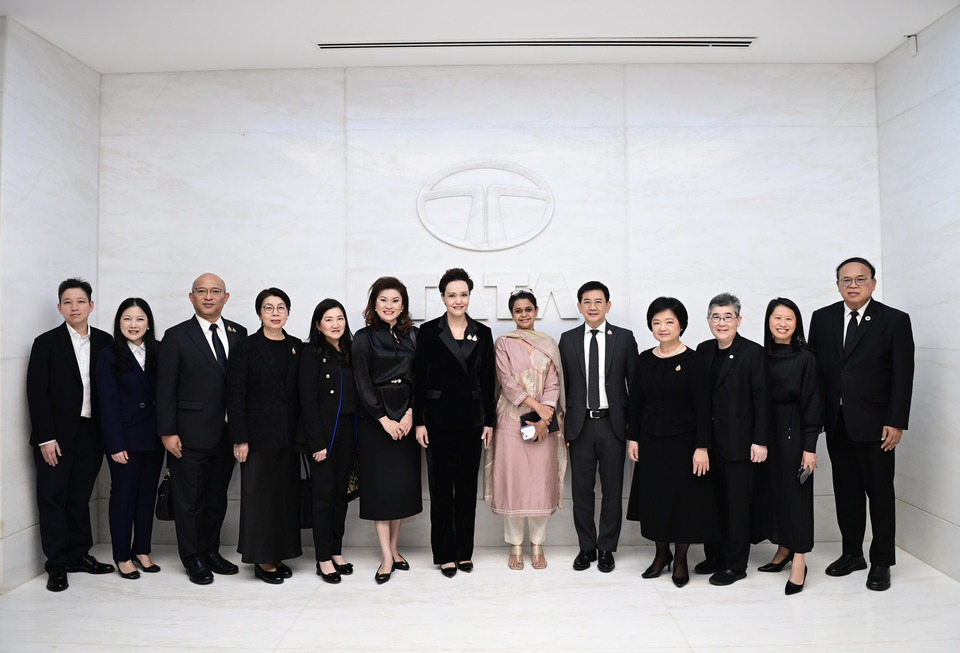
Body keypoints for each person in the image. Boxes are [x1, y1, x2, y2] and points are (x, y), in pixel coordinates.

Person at [808, 257, 914, 591]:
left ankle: (882, 561)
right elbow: (813, 371)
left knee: (880, 493)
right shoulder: (822, 318)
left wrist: (896, 421)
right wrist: (815, 416)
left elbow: (903, 375)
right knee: (846, 492)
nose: (853, 285)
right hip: (836, 422)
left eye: (860, 279)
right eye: (846, 279)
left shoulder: (894, 320)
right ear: (837, 284)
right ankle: (852, 553)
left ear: (873, 283)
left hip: (877, 425)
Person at [157, 272, 248, 585]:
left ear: (226, 297)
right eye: (202, 291)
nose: (209, 297)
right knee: (189, 501)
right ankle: (192, 557)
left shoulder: (239, 333)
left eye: (215, 291)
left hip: (227, 434)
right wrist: (167, 432)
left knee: (216, 499)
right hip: (188, 433)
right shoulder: (176, 336)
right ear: (191, 297)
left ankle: (211, 551)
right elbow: (165, 389)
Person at [27, 278, 115, 592]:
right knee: (52, 498)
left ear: (91, 306)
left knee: (80, 497)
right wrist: (45, 438)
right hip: (56, 436)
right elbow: (37, 393)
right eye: (67, 302)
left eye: (80, 301)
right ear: (59, 307)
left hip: (92, 433)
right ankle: (57, 564)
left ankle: (79, 555)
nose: (74, 307)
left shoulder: (105, 342)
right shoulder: (46, 343)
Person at [627, 297, 718, 588]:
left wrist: (702, 447)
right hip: (651, 442)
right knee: (656, 500)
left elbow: (703, 407)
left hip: (685, 444)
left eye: (669, 322)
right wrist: (633, 438)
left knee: (683, 502)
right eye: (657, 322)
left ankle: (680, 560)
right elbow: (635, 403)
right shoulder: (644, 360)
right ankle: (661, 554)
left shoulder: (694, 361)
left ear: (681, 325)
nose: (662, 327)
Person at [414, 268, 496, 577]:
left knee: (465, 489)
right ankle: (445, 553)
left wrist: (489, 421)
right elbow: (419, 379)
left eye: (463, 294)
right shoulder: (428, 331)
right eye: (452, 295)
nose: (458, 300)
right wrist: (419, 421)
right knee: (440, 490)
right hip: (437, 420)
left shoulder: (482, 332)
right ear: (443, 297)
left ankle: (464, 553)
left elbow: (488, 381)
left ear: (470, 296)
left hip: (472, 421)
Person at [558, 281, 637, 573]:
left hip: (613, 425)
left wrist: (634, 428)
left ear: (608, 306)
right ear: (580, 306)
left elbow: (635, 385)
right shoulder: (567, 339)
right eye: (587, 302)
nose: (593, 307)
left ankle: (606, 548)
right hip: (579, 427)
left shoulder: (624, 338)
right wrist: (563, 427)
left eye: (599, 301)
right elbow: (562, 387)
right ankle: (586, 547)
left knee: (613, 490)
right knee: (582, 491)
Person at [226, 288, 302, 584]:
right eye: (268, 308)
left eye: (281, 307)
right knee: (259, 500)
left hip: (289, 438)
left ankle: (278, 553)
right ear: (260, 312)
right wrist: (240, 438)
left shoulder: (296, 346)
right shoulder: (245, 347)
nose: (275, 313)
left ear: (288, 312)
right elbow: (236, 395)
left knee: (284, 499)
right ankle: (261, 558)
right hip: (257, 439)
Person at [487, 289, 566, 570]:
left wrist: (545, 418)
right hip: (511, 421)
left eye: (528, 309)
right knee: (514, 483)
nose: (524, 314)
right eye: (518, 310)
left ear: (536, 311)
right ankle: (516, 546)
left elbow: (554, 383)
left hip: (544, 424)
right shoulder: (504, 343)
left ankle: (537, 544)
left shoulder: (548, 343)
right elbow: (507, 383)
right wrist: (538, 407)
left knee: (540, 484)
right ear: (512, 314)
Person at [693, 293, 768, 586]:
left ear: (739, 320)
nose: (722, 323)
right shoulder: (703, 350)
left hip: (740, 443)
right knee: (711, 503)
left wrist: (760, 440)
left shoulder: (753, 352)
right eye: (716, 317)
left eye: (728, 317)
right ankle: (714, 556)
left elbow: (762, 400)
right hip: (708, 444)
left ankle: (735, 565)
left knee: (737, 506)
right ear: (708, 320)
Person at [353, 277, 422, 584]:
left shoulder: (414, 336)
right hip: (376, 421)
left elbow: (421, 378)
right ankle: (385, 556)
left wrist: (410, 414)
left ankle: (394, 549)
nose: (389, 306)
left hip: (406, 417)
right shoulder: (363, 337)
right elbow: (362, 383)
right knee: (381, 491)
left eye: (395, 300)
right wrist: (383, 419)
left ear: (403, 304)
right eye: (383, 300)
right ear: (374, 304)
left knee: (400, 489)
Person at [755, 297, 823, 595]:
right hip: (764, 434)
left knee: (797, 497)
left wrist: (810, 447)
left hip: (794, 433)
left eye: (789, 318)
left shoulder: (806, 357)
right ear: (768, 322)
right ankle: (783, 549)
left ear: (797, 324)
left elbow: (813, 404)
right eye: (777, 318)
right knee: (773, 494)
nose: (782, 324)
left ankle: (799, 561)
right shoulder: (759, 356)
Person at [96, 298, 166, 580]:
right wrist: (115, 444)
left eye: (139, 319)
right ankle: (122, 555)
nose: (133, 324)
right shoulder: (108, 355)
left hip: (154, 437)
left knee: (147, 495)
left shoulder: (160, 350)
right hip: (124, 438)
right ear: (119, 323)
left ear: (148, 323)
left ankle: (142, 550)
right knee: (123, 496)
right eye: (127, 318)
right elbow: (107, 404)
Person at [299, 298, 358, 584]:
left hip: (348, 432)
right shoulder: (311, 353)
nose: (336, 324)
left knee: (340, 495)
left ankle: (336, 551)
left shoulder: (350, 350)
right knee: (323, 496)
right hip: (324, 435)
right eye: (329, 319)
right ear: (318, 325)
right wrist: (317, 443)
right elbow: (307, 401)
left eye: (340, 318)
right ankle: (322, 557)